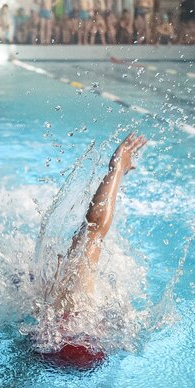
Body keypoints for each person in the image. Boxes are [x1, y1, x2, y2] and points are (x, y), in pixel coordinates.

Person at [41, 133, 148, 368]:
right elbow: (94, 228)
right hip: (81, 344)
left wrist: (116, 169)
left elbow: (92, 229)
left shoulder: (66, 306)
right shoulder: (78, 308)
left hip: (61, 341)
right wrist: (117, 168)